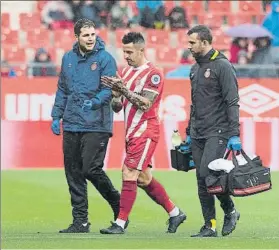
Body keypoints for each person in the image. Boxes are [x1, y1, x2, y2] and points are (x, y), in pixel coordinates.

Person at [99, 32, 186, 234]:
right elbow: (118, 107)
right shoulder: (127, 72)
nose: (126, 56)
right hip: (131, 132)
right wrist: (115, 95)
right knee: (143, 179)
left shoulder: (154, 73)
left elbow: (146, 104)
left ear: (141, 50)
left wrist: (124, 90)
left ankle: (120, 223)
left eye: (130, 52)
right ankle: (175, 213)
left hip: (146, 130)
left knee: (128, 172)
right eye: (124, 51)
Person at [51, 18, 121, 233]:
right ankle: (80, 221)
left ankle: (120, 207)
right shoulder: (68, 59)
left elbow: (110, 88)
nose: (91, 38)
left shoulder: (105, 59)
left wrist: (96, 101)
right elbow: (63, 89)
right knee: (73, 172)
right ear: (77, 37)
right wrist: (56, 115)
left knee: (90, 168)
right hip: (72, 122)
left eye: (93, 34)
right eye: (86, 35)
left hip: (97, 123)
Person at [185, 25, 241, 237]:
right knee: (201, 178)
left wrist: (234, 133)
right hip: (199, 131)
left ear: (205, 42)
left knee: (210, 174)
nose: (188, 46)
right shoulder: (195, 69)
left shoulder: (222, 66)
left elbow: (232, 101)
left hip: (218, 131)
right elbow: (194, 104)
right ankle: (210, 226)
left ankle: (230, 210)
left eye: (192, 42)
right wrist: (189, 131)